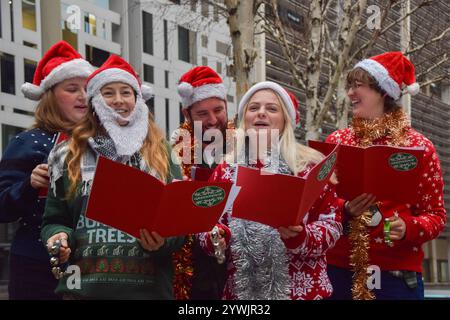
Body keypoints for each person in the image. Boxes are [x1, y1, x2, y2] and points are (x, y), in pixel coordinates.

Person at [41, 55, 184, 299]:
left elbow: (179, 223)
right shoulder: (67, 153)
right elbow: (54, 218)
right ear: (94, 101)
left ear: (137, 100)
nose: (118, 100)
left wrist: (163, 242)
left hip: (148, 292)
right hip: (82, 291)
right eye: (108, 93)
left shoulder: (161, 152)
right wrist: (58, 236)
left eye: (126, 92)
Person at [200, 81, 342, 300]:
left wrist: (300, 237)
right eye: (254, 108)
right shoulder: (225, 170)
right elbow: (204, 225)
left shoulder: (309, 167)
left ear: (285, 119)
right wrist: (217, 236)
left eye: (272, 108)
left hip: (303, 294)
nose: (261, 114)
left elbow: (332, 225)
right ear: (244, 118)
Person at [325, 52, 446, 300]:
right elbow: (318, 206)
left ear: (383, 91)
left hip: (396, 277)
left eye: (358, 86)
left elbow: (436, 215)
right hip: (338, 271)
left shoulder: (419, 147)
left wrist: (408, 227)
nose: (350, 93)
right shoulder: (336, 142)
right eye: (349, 86)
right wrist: (345, 209)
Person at [0, 41, 93, 299]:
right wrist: (28, 185)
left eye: (87, 89)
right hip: (35, 266)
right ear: (50, 96)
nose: (83, 96)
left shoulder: (103, 144)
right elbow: (2, 207)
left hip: (92, 265)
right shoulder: (28, 142)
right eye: (72, 89)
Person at [170, 66, 234, 299]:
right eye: (202, 114)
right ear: (187, 115)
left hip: (237, 262)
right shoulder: (172, 155)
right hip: (192, 267)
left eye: (218, 110)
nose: (213, 120)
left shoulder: (245, 148)